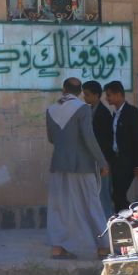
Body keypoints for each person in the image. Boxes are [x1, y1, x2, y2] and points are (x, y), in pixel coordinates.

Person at [45, 78, 108, 260]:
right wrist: (102, 161)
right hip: (82, 165)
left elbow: (51, 138)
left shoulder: (51, 109)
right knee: (91, 204)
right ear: (80, 91)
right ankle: (103, 247)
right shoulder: (83, 108)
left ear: (63, 89)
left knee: (58, 207)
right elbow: (89, 138)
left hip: (59, 164)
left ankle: (57, 249)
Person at [103, 80, 138, 212]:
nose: (107, 98)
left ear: (118, 94)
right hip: (116, 161)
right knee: (116, 195)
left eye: (109, 95)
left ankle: (137, 215)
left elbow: (137, 139)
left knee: (118, 195)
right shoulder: (115, 114)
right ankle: (122, 220)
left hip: (128, 162)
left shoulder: (132, 113)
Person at [83, 80, 116, 216]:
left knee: (103, 195)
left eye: (87, 94)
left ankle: (107, 221)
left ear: (96, 95)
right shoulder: (89, 111)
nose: (85, 98)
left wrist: (104, 163)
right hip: (93, 160)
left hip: (102, 161)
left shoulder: (103, 114)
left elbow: (105, 142)